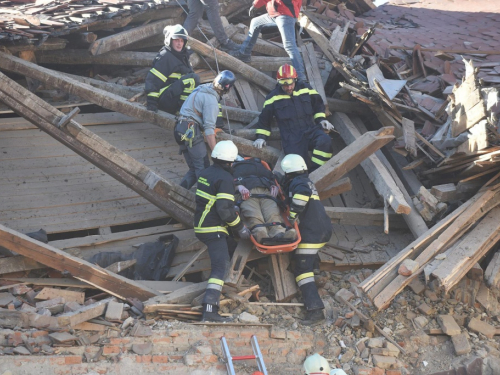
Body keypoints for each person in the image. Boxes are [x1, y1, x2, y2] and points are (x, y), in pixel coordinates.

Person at [194, 140, 252, 322]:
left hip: (202, 224)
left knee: (230, 247)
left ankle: (227, 288)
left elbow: (216, 195)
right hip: (214, 228)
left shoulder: (207, 173)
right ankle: (210, 311)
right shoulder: (225, 179)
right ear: (230, 162)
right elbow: (224, 211)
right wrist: (240, 227)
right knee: (220, 267)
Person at [280, 154, 332, 326]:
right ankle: (315, 272)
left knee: (302, 269)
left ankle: (315, 310)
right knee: (308, 257)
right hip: (323, 229)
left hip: (312, 232)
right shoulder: (306, 180)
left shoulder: (298, 183)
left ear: (288, 171)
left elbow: (301, 195)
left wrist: (293, 214)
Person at [253, 64, 335, 172]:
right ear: (278, 81)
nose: (288, 87)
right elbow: (264, 120)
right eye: (284, 84)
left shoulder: (306, 89)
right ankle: (304, 179)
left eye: (291, 83)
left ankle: (317, 172)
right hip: (292, 138)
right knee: (297, 166)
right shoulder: (272, 98)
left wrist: (321, 119)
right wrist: (261, 137)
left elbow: (318, 105)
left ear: (295, 79)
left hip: (310, 131)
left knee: (325, 141)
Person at [174, 70, 236, 190]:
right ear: (227, 88)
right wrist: (217, 154)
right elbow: (208, 131)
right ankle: (203, 198)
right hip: (190, 131)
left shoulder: (203, 88)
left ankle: (178, 192)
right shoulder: (211, 101)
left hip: (179, 128)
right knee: (204, 167)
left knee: (194, 168)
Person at [230, 0, 307, 82]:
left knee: (289, 46)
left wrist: (255, 5)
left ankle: (301, 78)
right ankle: (244, 53)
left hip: (284, 14)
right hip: (277, 13)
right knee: (255, 22)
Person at [232, 157, 296, 244]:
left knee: (272, 212)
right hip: (246, 193)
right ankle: (260, 232)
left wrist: (274, 186)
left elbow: (272, 178)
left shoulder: (260, 166)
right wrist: (238, 187)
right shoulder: (230, 169)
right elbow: (226, 183)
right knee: (253, 214)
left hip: (266, 192)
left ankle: (279, 233)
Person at [145, 25, 200, 114]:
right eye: (176, 40)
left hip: (173, 97)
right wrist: (152, 103)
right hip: (165, 99)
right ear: (169, 41)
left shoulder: (183, 57)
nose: (179, 43)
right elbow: (153, 80)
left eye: (182, 40)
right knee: (192, 79)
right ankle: (182, 111)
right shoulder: (166, 56)